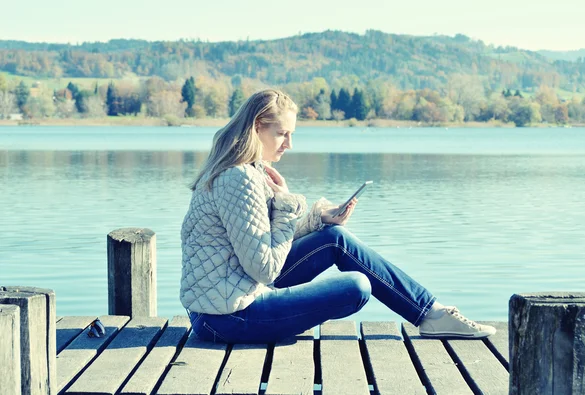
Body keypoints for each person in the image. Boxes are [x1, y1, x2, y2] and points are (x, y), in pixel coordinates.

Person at [180, 89, 496, 343]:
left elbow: (258, 239)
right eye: (282, 134)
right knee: (356, 286)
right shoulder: (239, 179)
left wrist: (319, 219)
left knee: (334, 239)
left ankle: (432, 314)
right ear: (257, 127)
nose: (290, 144)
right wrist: (287, 207)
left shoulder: (242, 171)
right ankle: (431, 315)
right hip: (229, 318)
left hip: (217, 306)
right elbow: (265, 268)